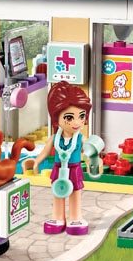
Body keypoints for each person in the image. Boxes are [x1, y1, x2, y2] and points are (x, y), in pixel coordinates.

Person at [33, 82, 92, 236]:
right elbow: (45, 151)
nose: (77, 122)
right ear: (56, 118)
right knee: (57, 193)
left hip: (74, 169)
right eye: (69, 118)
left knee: (75, 194)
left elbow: (88, 152)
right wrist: (37, 161)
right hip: (59, 169)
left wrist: (91, 161)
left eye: (81, 116)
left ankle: (75, 217)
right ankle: (58, 217)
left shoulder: (80, 138)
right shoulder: (55, 138)